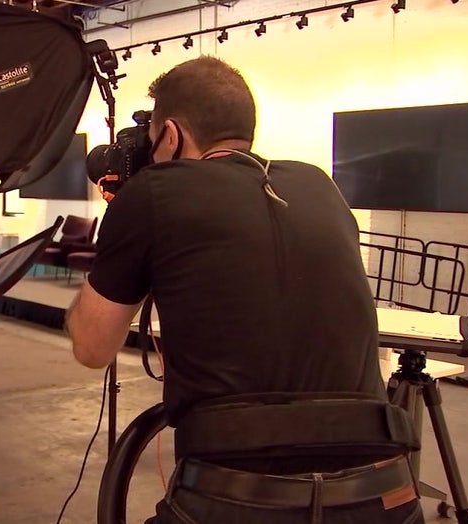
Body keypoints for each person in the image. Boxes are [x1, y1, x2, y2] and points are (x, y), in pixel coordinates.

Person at [65, 56, 423, 523]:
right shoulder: (318, 183)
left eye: (153, 142)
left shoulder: (153, 192)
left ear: (170, 135)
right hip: (385, 493)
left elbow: (92, 348)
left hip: (237, 497)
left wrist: (123, 228)